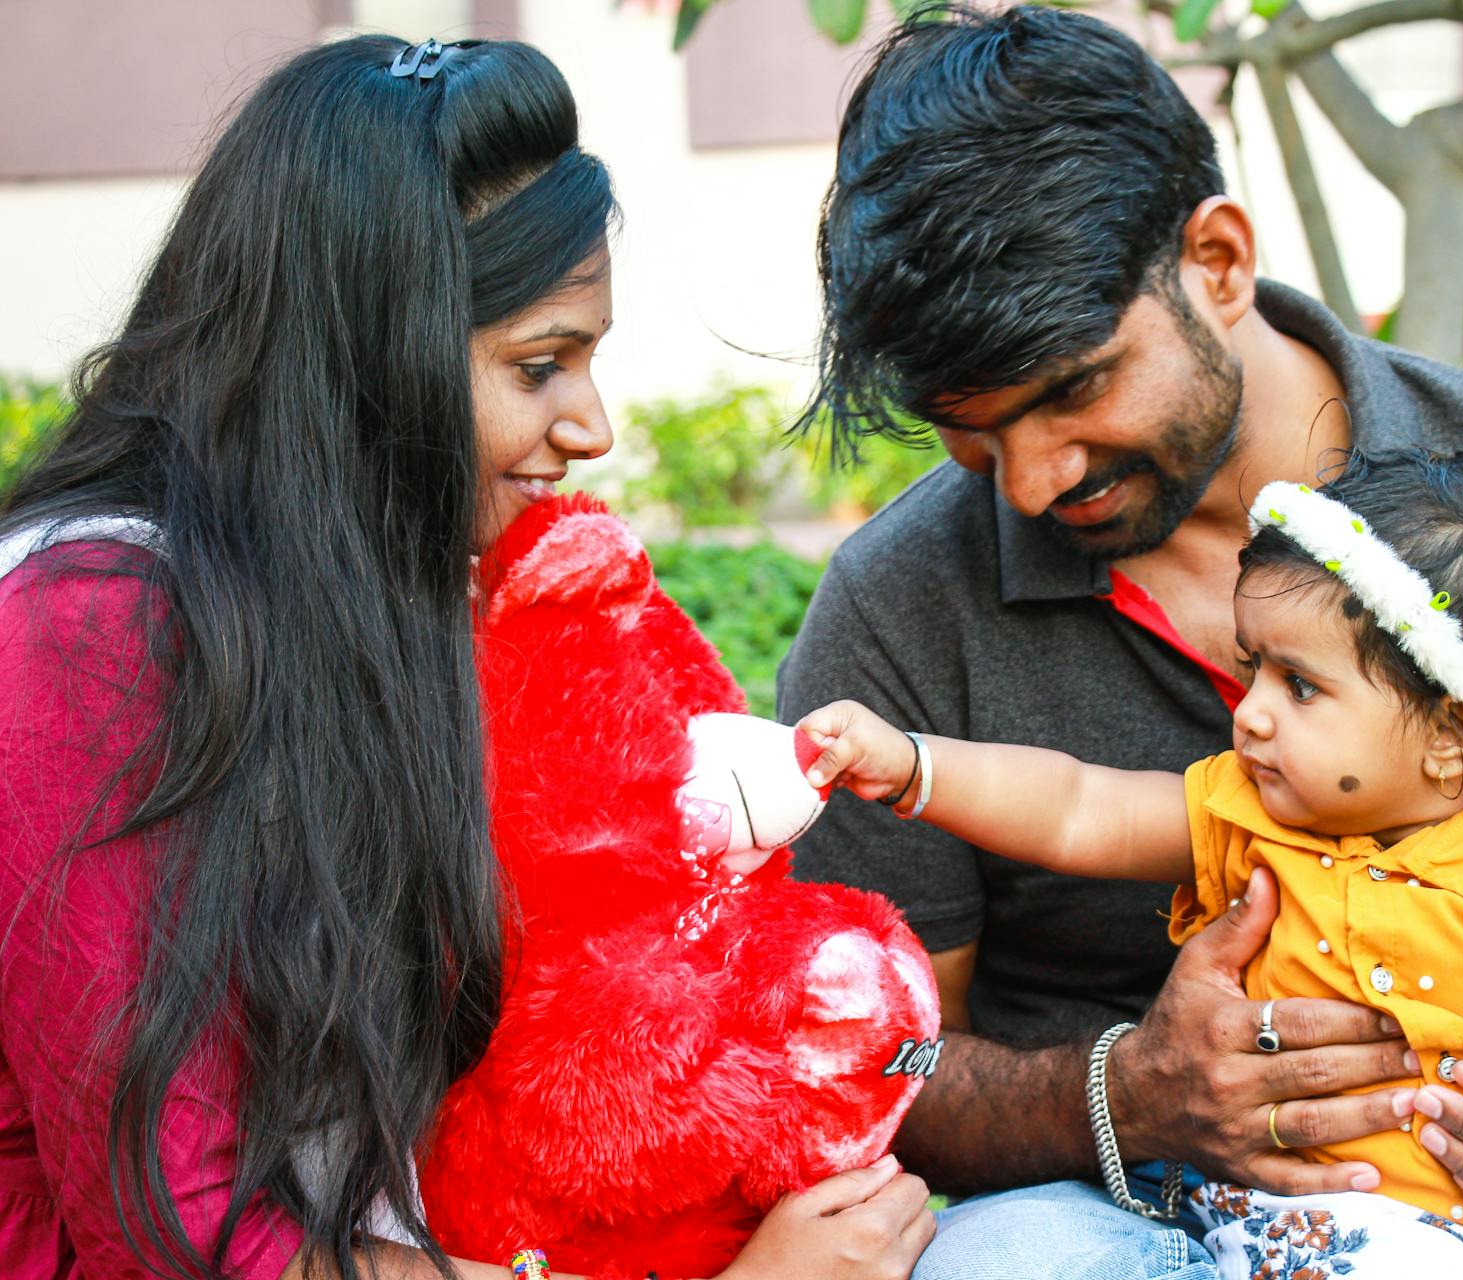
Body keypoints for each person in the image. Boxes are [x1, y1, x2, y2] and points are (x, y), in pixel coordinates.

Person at [776, 7, 1463, 1278]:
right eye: (971, 429)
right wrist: (1117, 1093)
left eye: (1074, 388)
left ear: (1216, 260)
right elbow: (882, 1052)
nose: (1032, 480)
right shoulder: (895, 606)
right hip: (1155, 1220)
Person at [0, 34, 929, 1280]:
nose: (591, 426)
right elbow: (188, 1234)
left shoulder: (361, 582)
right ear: (362, 359)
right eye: (540, 364)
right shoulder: (86, 629)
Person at [795, 448, 1463, 1280]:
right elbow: (1076, 805)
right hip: (1328, 1228)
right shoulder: (1251, 809)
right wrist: (917, 764)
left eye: (1300, 684)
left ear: (1453, 733)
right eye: (1255, 664)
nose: (1250, 708)